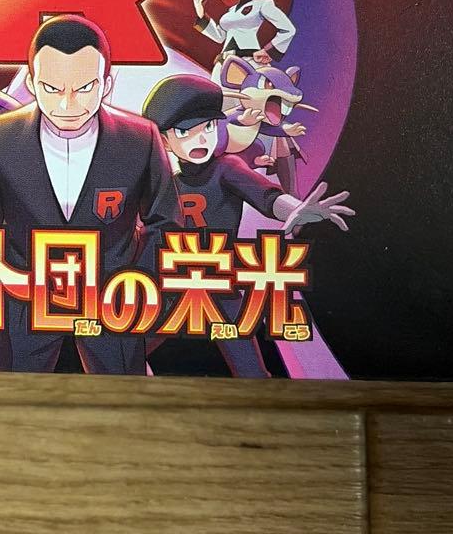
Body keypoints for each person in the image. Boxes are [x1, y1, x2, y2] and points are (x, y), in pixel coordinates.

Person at [0, 15, 180, 374]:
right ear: (31, 82)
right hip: (26, 299)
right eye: (51, 88)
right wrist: (9, 277)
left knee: (121, 399)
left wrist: (134, 282)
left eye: (84, 88)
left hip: (113, 299)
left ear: (106, 84)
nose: (67, 105)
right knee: (18, 398)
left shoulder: (140, 138)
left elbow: (166, 221)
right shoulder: (0, 134)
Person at [142, 74, 353, 376]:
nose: (200, 140)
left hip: (219, 284)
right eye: (185, 132)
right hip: (172, 285)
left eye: (208, 127)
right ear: (164, 140)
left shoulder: (226, 168)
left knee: (251, 372)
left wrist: (295, 210)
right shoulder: (163, 182)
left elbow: (265, 195)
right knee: (121, 351)